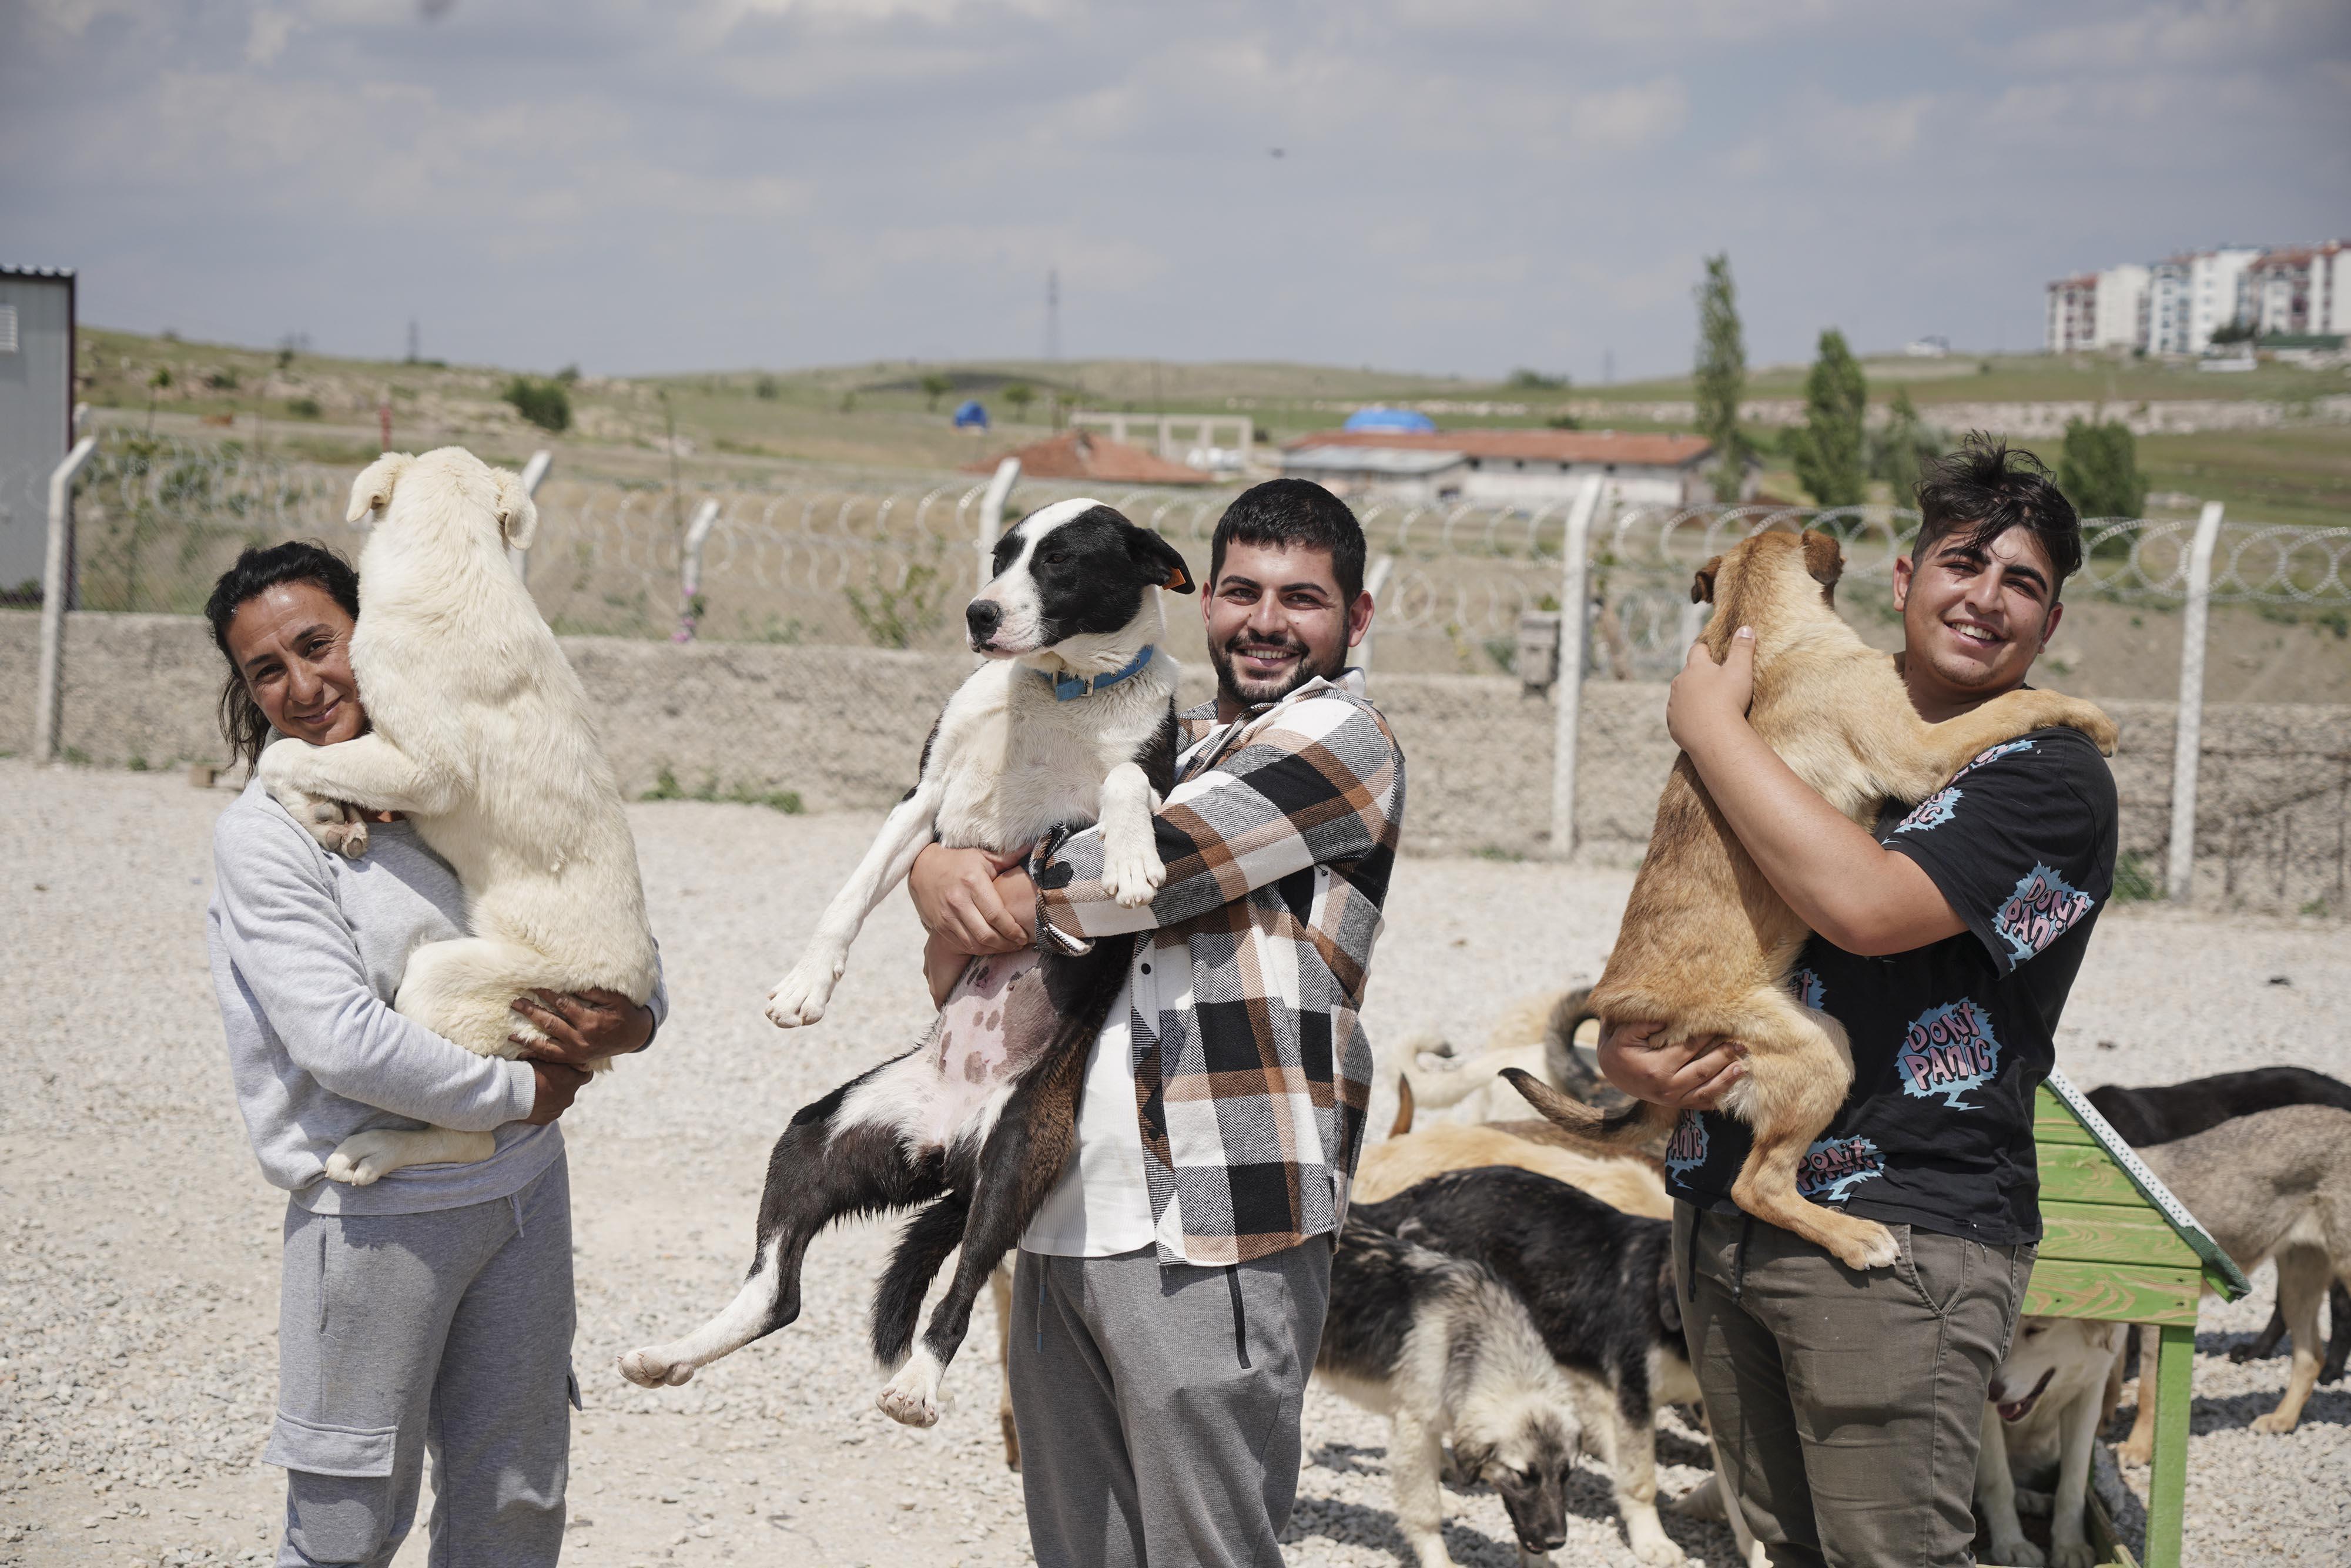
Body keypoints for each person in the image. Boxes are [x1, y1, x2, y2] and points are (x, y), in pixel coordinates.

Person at [1602, 438, 2119, 1566]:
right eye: (1963, 563)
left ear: (2050, 622)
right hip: (1725, 1213)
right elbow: (1685, 900)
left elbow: (1867, 908)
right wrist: (1631, 1057)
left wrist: (1709, 726)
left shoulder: (2050, 773)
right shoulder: (1808, 708)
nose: (1985, 598)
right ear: (1903, 578)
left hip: (1907, 1232)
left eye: (2021, 582)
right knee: (1779, 1550)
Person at [907, 480, 1406, 1567]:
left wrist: (949, 868)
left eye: (1303, 599)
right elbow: (984, 901)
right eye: (1243, 592)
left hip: (1217, 1220)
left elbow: (1141, 875)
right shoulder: (1162, 731)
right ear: (1199, 599)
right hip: (1058, 1209)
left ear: (1357, 617)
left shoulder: (1340, 739)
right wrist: (938, 869)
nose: (1266, 622)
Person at [202, 541, 663, 1568]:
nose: (302, 685)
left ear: (378, 633)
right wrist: (522, 1091)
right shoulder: (267, 840)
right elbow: (340, 1041)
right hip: (377, 1217)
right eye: (266, 670)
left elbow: (602, 920)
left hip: (523, 1198)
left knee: (516, 1499)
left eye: (319, 644)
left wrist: (636, 1022)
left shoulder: (470, 778)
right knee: (347, 1525)